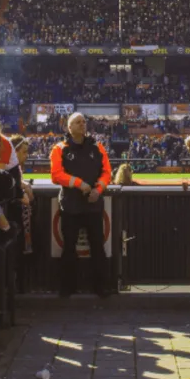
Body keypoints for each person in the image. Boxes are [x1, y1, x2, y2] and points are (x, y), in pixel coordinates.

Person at [50, 112, 112, 297]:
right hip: (70, 206)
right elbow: (55, 175)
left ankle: (100, 288)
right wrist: (79, 183)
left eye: (84, 122)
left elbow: (107, 172)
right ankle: (67, 288)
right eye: (77, 122)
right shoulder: (59, 148)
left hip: (93, 205)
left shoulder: (97, 147)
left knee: (97, 247)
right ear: (69, 127)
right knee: (69, 247)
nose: (82, 124)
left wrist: (97, 190)